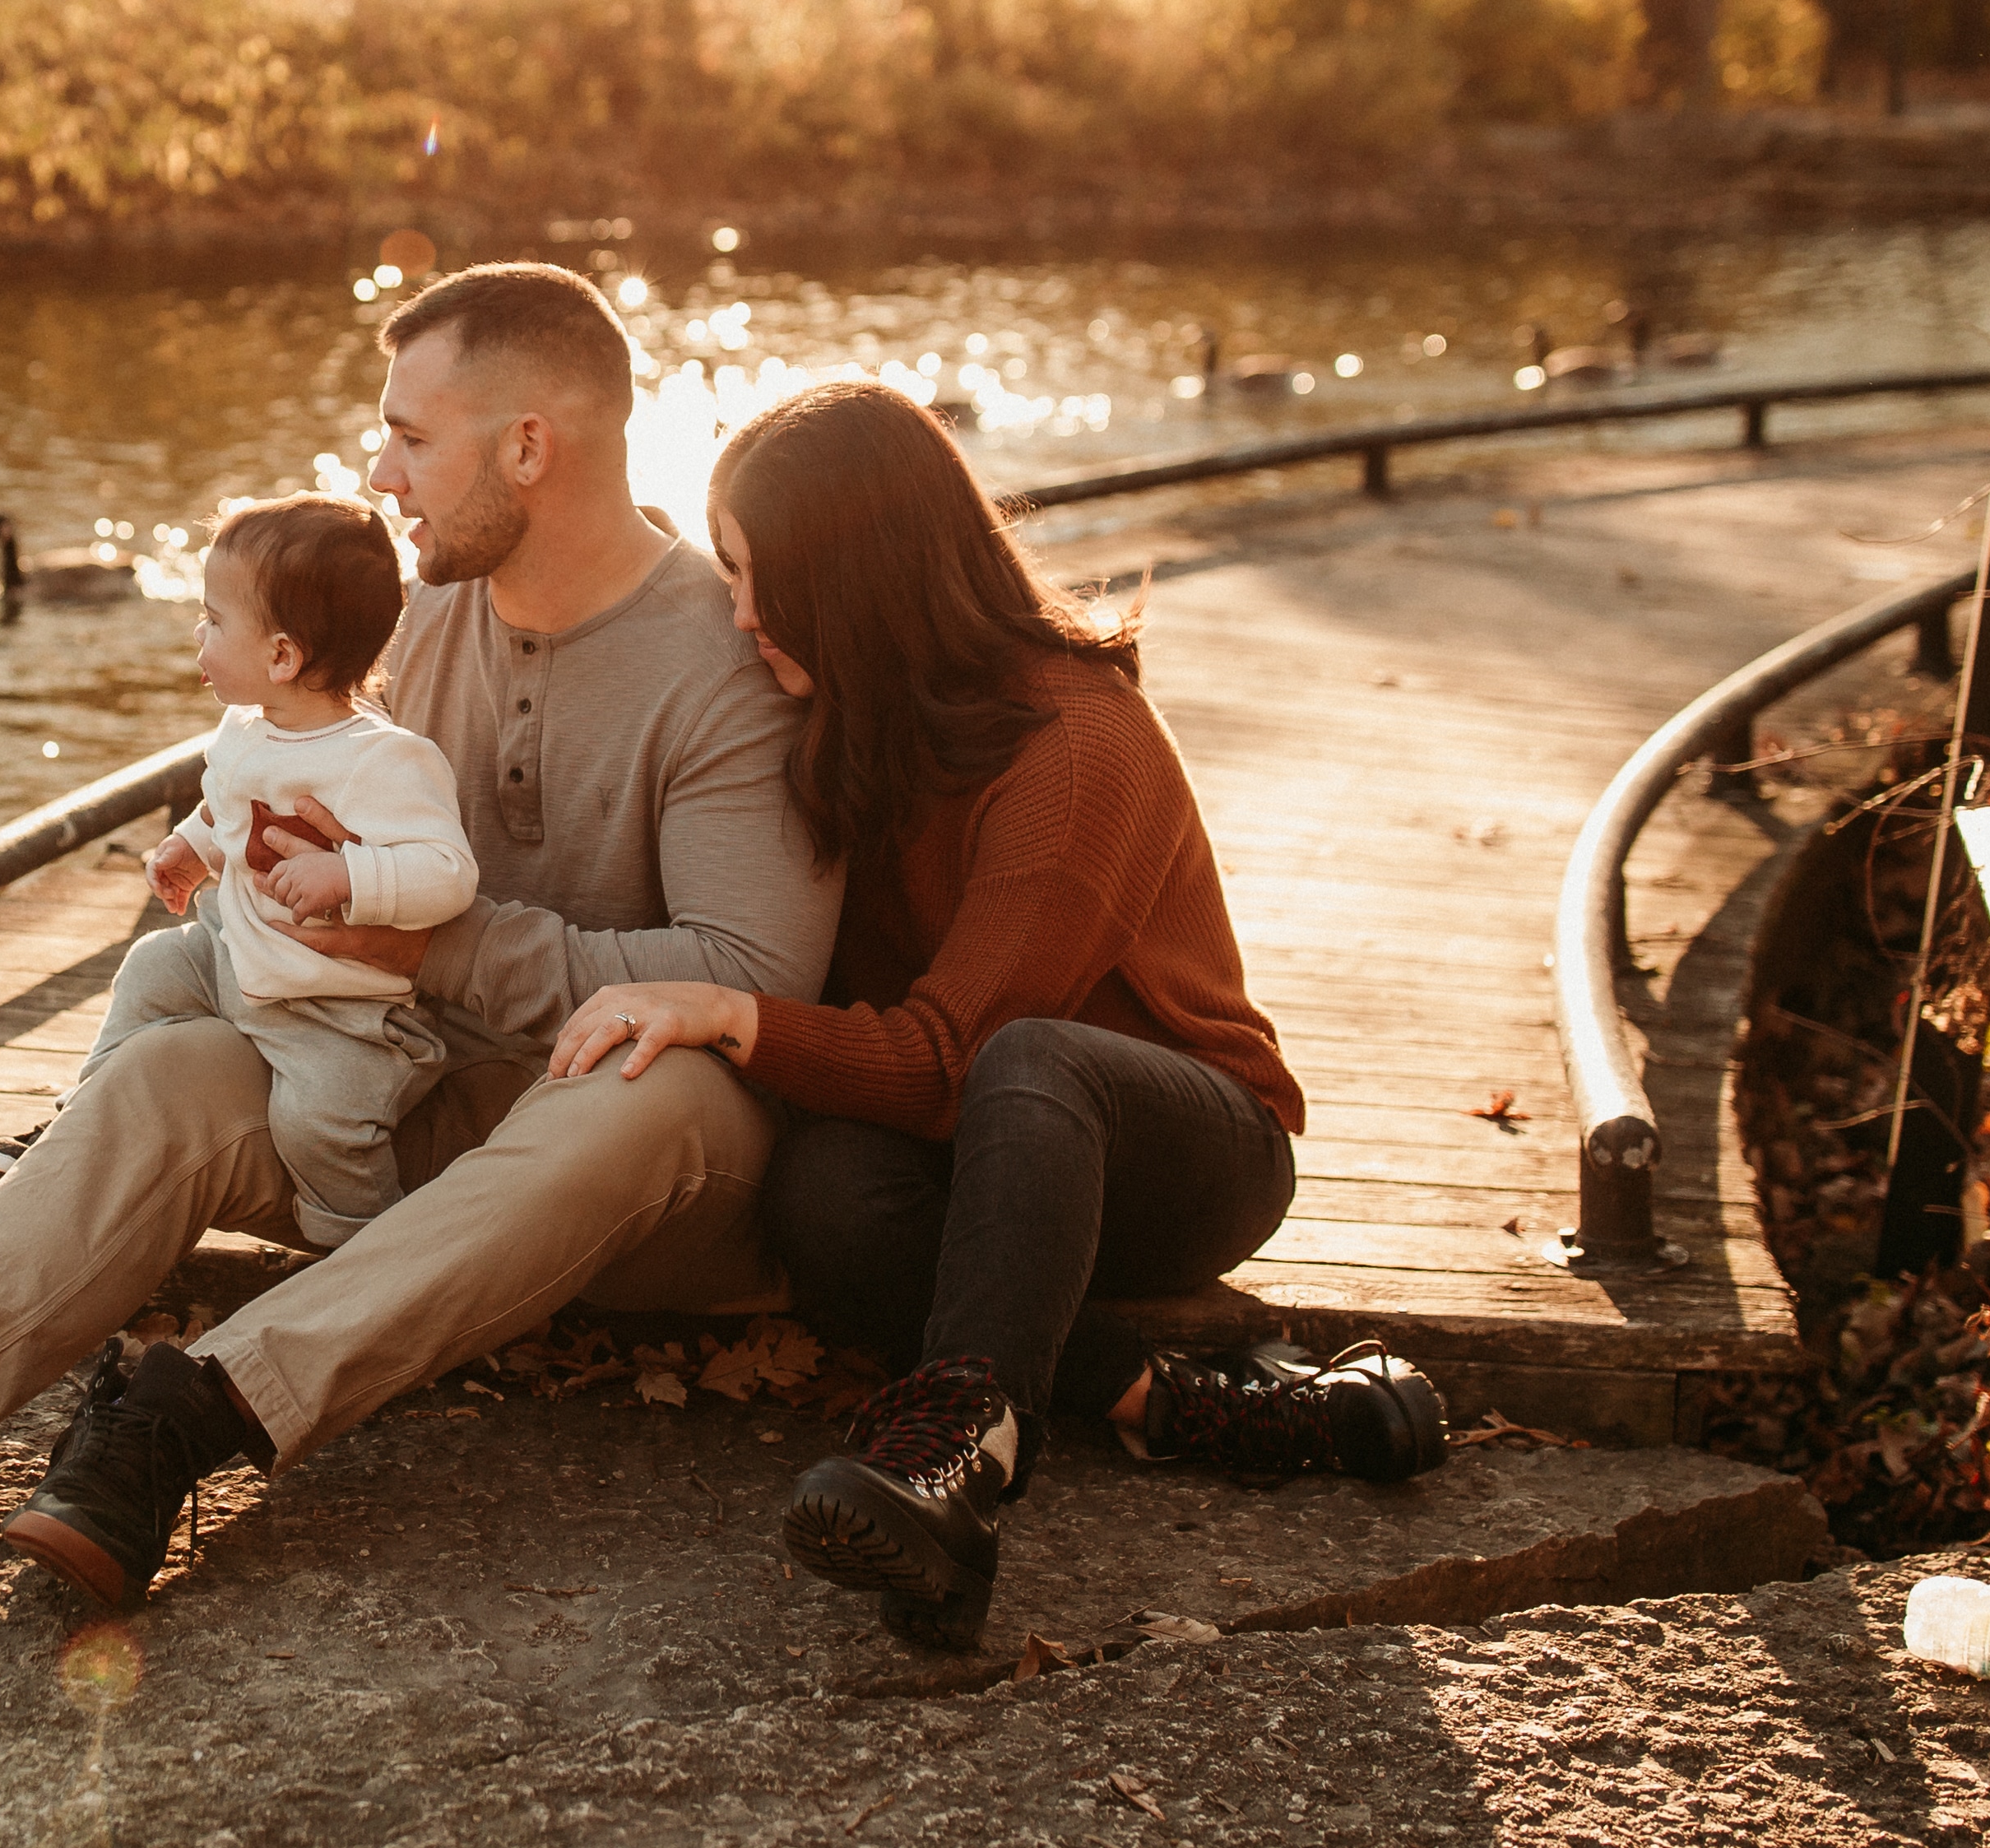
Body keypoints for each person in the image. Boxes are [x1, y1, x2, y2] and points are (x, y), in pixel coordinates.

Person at [0, 261, 840, 1609]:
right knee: (167, 1073)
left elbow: (750, 985)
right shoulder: (421, 614)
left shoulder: (720, 665)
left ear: (526, 446)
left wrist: (430, 948)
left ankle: (193, 1407)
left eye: (410, 435)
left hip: (661, 1177)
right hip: (417, 1093)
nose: (381, 472)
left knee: (650, 1084)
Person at [539, 374, 1442, 1655]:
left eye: (758, 581)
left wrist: (728, 1013)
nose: (737, 617)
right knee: (829, 1194)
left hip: (1178, 1146)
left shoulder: (1075, 745)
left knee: (1027, 1060)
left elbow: (949, 1063)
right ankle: (1156, 1397)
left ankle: (954, 1465)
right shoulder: (848, 720)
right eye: (728, 575)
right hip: (985, 1157)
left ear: (860, 579)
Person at [63, 491, 479, 1247]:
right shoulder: (247, 729)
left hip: (341, 1014)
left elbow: (448, 873)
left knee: (317, 1124)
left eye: (216, 621)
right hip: (239, 956)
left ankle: (358, 1248)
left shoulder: (385, 760)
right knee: (153, 968)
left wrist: (350, 877)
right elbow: (229, 807)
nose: (199, 631)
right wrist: (192, 846)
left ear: (282, 656)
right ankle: (83, 1134)